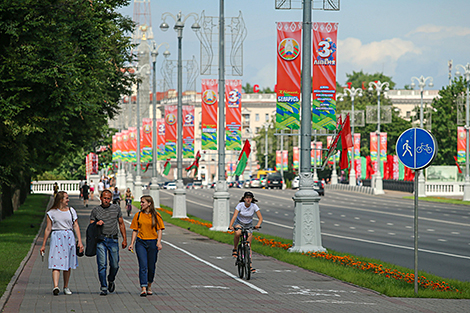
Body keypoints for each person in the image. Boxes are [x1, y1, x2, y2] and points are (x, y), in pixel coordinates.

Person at [40, 191, 84, 295]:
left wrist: (80, 242)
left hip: (69, 236)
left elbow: (76, 225)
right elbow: (48, 228)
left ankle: (66, 286)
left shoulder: (71, 211)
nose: (68, 200)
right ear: (61, 200)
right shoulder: (51, 213)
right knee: (56, 261)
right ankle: (56, 286)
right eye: (66, 198)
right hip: (57, 237)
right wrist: (43, 244)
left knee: (67, 263)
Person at [90, 190, 127, 296]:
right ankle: (103, 286)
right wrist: (97, 223)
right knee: (102, 264)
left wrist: (124, 239)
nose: (106, 200)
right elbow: (91, 226)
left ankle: (111, 279)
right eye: (105, 198)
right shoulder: (96, 210)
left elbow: (121, 223)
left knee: (115, 264)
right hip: (101, 241)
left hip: (113, 240)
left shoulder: (116, 208)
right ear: (101, 198)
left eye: (108, 199)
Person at [128, 196, 164, 296]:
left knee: (151, 266)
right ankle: (143, 287)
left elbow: (160, 229)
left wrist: (159, 242)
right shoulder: (138, 215)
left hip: (153, 242)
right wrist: (132, 243)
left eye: (143, 202)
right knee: (143, 265)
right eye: (141, 202)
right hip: (141, 243)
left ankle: (149, 285)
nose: (141, 204)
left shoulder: (156, 215)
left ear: (149, 203)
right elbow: (135, 230)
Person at [228, 191, 263, 273]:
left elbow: (260, 218)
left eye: (250, 198)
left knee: (248, 245)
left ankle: (250, 265)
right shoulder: (240, 205)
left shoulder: (254, 206)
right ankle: (235, 249)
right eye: (247, 198)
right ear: (244, 199)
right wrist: (231, 226)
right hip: (239, 223)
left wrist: (258, 225)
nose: (248, 199)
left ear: (252, 199)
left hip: (248, 225)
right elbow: (234, 216)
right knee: (238, 233)